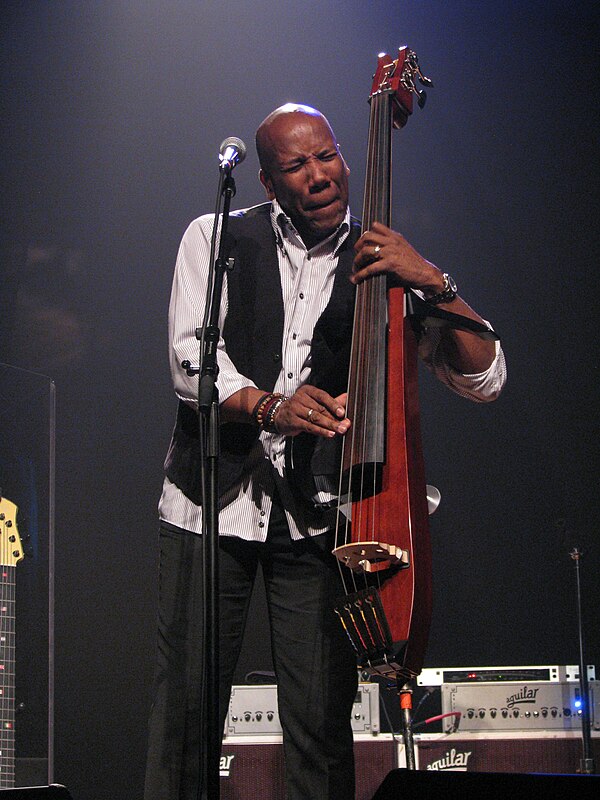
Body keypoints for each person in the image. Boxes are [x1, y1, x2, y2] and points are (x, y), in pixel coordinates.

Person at [144, 103, 506, 800]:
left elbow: (487, 379)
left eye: (327, 156)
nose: (318, 175)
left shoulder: (384, 266)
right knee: (184, 720)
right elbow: (191, 360)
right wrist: (271, 406)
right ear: (270, 185)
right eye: (295, 166)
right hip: (206, 511)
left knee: (318, 729)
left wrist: (432, 280)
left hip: (318, 524)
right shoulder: (215, 236)